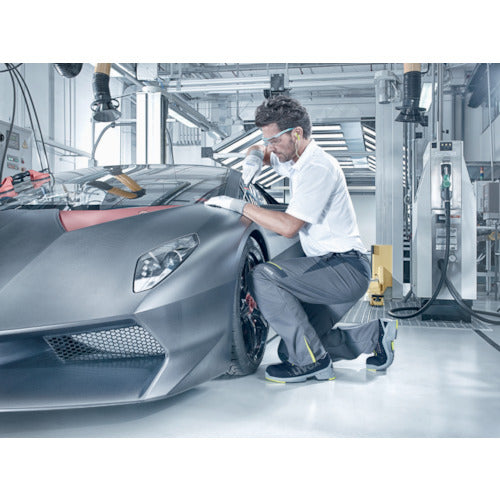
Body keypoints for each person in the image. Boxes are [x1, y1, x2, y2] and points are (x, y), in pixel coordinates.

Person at [205, 96, 397, 383]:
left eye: (274, 140)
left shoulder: (317, 168)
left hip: (343, 269)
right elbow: (259, 149)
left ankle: (314, 365)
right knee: (293, 348)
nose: (271, 147)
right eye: (267, 140)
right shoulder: (294, 160)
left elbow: (289, 227)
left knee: (264, 276)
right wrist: (254, 157)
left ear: (296, 133)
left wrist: (239, 206)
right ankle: (374, 335)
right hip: (332, 268)